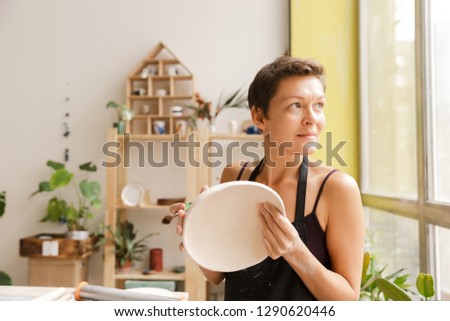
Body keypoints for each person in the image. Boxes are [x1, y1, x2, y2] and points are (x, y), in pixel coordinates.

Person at [169, 55, 365, 300]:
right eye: (296, 105)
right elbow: (217, 274)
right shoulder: (235, 175)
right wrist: (197, 233)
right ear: (259, 117)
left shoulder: (336, 188)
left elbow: (348, 299)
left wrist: (295, 251)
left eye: (318, 105)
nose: (312, 118)